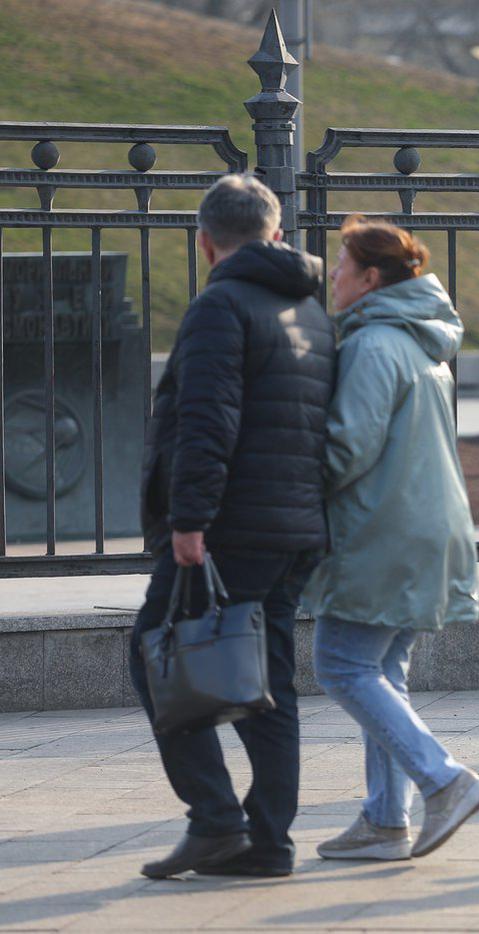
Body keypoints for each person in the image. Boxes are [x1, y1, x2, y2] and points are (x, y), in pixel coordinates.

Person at [129, 174, 335, 878]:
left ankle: (216, 821)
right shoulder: (309, 308)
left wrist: (188, 521)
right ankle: (268, 842)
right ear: (276, 233)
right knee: (266, 681)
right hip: (295, 528)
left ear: (205, 242)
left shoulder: (222, 305)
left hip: (232, 529)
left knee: (158, 655)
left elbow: (205, 421)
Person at [301, 216, 479, 861]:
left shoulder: (375, 344)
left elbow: (348, 447)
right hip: (426, 528)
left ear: (371, 277)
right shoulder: (419, 341)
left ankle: (443, 780)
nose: (332, 276)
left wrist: (286, 480)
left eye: (342, 266)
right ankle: (386, 821)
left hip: (382, 530)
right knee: (381, 670)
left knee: (341, 664)